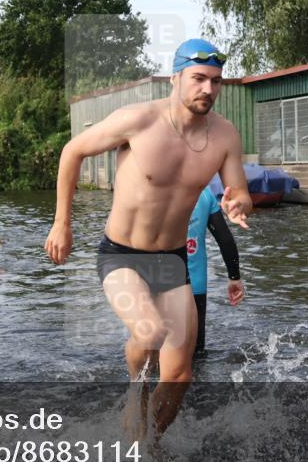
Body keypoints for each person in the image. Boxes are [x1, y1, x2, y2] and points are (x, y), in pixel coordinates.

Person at [44, 38, 251, 441]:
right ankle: (133, 393)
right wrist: (61, 223)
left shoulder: (225, 136)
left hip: (172, 263)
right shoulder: (138, 120)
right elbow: (73, 151)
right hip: (121, 256)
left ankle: (146, 446)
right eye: (198, 79)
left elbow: (238, 190)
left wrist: (239, 204)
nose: (208, 89)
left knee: (180, 372)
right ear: (176, 78)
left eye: (216, 81)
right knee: (150, 333)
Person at [187, 188, 244, 355]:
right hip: (196, 285)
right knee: (196, 353)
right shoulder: (204, 193)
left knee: (158, 352)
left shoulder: (154, 189)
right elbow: (225, 239)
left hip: (161, 283)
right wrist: (234, 277)